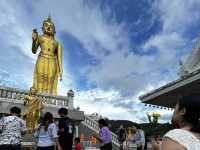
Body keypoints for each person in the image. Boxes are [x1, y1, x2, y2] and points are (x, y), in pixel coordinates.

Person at [32, 15, 62, 95]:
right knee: (40, 77)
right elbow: (34, 51)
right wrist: (34, 41)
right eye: (46, 26)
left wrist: (61, 71)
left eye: (51, 27)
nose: (48, 28)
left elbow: (59, 58)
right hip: (42, 57)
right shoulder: (40, 38)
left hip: (52, 60)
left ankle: (47, 99)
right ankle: (37, 97)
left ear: (54, 31)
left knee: (50, 79)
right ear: (42, 28)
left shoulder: (57, 43)